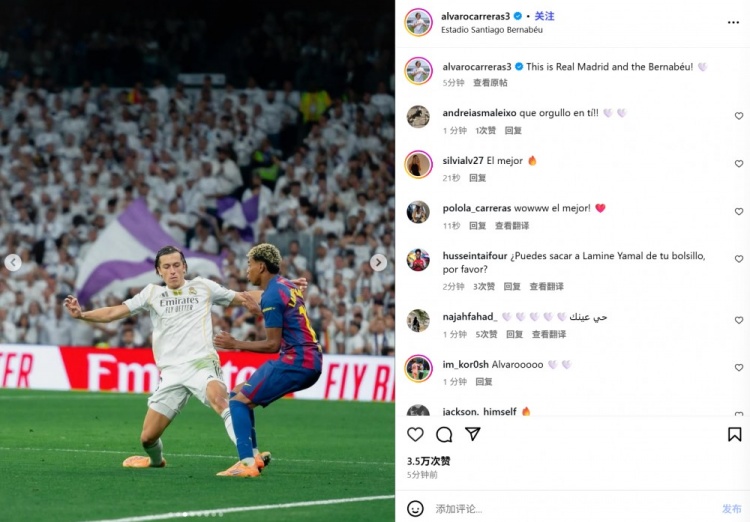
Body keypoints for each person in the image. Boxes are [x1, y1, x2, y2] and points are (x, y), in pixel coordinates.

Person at [63, 245, 263, 469]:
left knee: (221, 401)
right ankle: (156, 461)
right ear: (159, 271)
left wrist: (282, 289)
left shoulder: (203, 287)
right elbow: (113, 312)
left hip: (202, 364)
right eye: (166, 267)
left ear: (184, 267)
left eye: (176, 265)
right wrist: (82, 315)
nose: (172, 271)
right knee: (147, 438)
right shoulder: (151, 294)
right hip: (171, 373)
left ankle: (248, 459)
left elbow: (244, 297)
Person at [213, 243, 323, 478]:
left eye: (249, 265)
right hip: (307, 358)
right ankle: (254, 457)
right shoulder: (285, 286)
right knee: (237, 393)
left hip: (297, 360)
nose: (247, 270)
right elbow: (286, 315)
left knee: (239, 402)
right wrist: (260, 311)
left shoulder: (273, 294)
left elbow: (272, 345)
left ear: (261, 267)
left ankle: (245, 464)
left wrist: (236, 344)